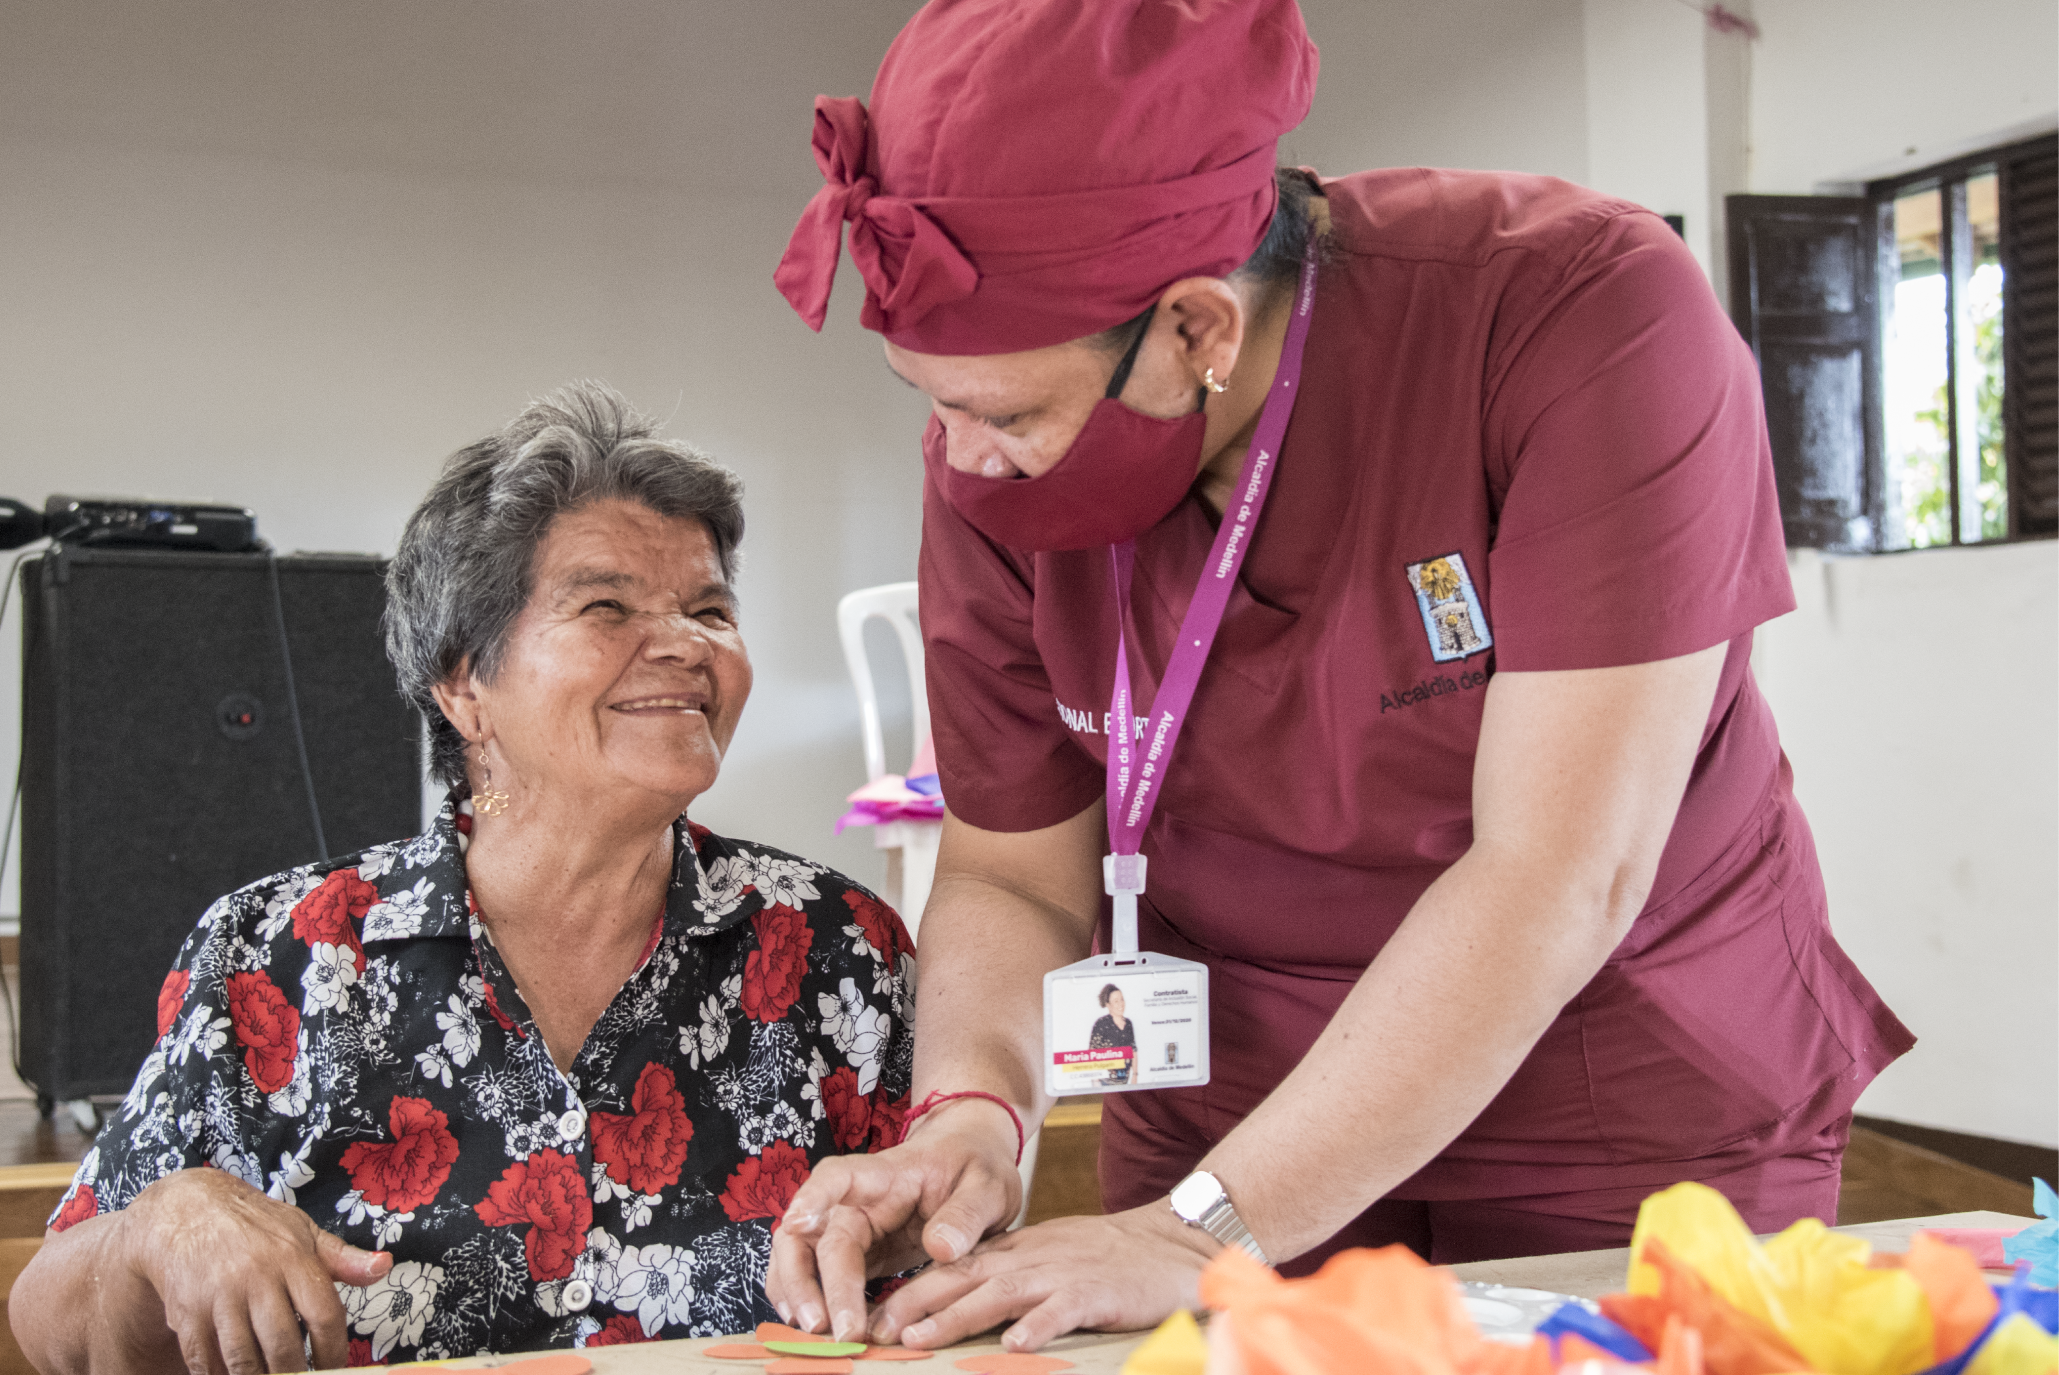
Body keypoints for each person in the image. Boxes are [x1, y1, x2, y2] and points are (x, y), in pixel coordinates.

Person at [759, 0, 1912, 1353]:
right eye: (932, 405)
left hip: (1616, 1083)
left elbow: (1558, 870)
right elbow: (1014, 866)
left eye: (1007, 413)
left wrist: (1199, 1232)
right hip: (1227, 1105)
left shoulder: (1578, 316)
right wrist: (975, 1111)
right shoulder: (995, 471)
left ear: (1197, 327)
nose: (966, 460)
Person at [9, 382, 916, 1372]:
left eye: (708, 608)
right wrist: (156, 1227)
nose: (685, 644)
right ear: (460, 682)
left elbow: (940, 1273)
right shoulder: (280, 952)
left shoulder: (839, 949)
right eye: (606, 605)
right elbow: (50, 1319)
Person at [1088, 985, 1135, 1087]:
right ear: (1108, 1005)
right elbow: (1093, 1052)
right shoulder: (1101, 1024)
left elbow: (1133, 1050)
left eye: (1122, 999)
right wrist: (1095, 1081)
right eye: (1116, 1001)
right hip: (1104, 1082)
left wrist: (1135, 1075)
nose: (1121, 1004)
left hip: (1125, 1082)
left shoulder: (1128, 1024)